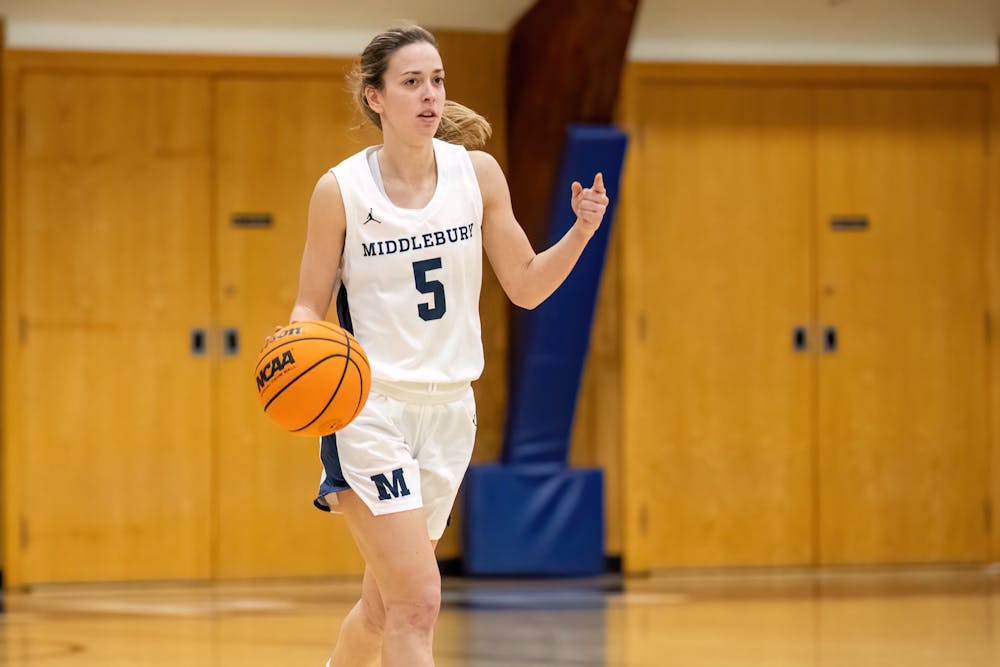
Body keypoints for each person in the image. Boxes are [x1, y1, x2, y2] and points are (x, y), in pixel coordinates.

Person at [287, 25, 609, 667]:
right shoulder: (341, 192)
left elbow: (523, 286)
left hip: (450, 413)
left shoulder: (477, 175)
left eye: (437, 80)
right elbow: (307, 307)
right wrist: (294, 357)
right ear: (375, 97)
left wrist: (578, 233)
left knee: (384, 607)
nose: (430, 95)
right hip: (370, 410)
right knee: (418, 603)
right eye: (412, 82)